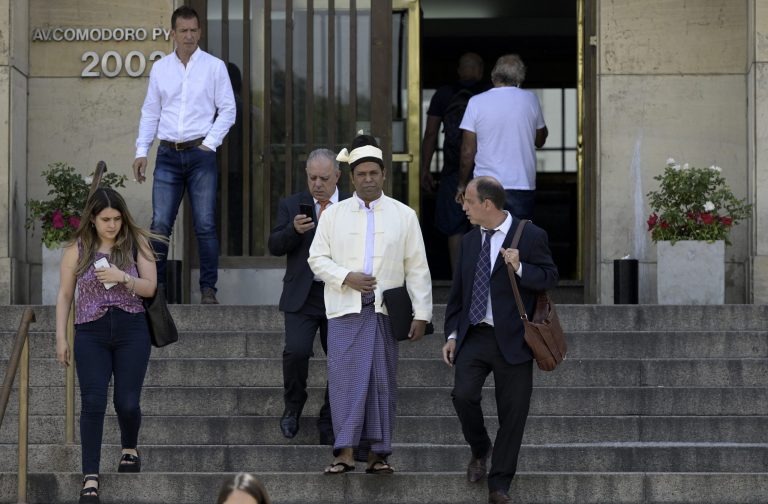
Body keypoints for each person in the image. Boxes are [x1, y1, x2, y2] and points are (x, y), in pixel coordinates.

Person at [308, 133, 432, 475]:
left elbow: (417, 267)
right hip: (344, 310)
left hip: (384, 314)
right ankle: (344, 453)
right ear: (351, 178)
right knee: (345, 382)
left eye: (373, 174)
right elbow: (316, 258)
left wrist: (422, 314)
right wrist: (346, 277)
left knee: (381, 383)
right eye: (360, 174)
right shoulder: (334, 215)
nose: (367, 179)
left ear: (383, 175)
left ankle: (378, 455)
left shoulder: (404, 215)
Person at [442, 176, 558, 504]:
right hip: (475, 335)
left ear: (487, 205)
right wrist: (452, 335)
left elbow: (550, 276)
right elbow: (458, 295)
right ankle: (480, 448)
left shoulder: (531, 235)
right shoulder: (468, 241)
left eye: (468, 200)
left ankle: (499, 485)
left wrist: (521, 268)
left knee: (513, 413)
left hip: (515, 338)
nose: (463, 206)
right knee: (463, 396)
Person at [55, 188, 164, 504]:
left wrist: (122, 277)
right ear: (92, 219)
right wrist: (61, 337)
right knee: (92, 402)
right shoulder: (78, 249)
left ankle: (129, 447)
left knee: (127, 402)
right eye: (105, 219)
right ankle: (90, 476)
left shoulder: (135, 243)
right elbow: (64, 295)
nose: (112, 225)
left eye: (117, 218)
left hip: (132, 329)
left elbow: (150, 287)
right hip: (90, 331)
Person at [132, 5, 236, 305]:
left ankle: (208, 289)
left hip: (200, 153)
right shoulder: (161, 68)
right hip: (167, 154)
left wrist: (210, 143)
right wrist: (142, 151)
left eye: (194, 31)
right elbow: (150, 112)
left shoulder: (214, 67)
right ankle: (157, 287)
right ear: (173, 34)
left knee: (205, 224)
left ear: (200, 32)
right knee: (160, 224)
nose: (189, 36)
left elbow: (228, 109)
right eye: (183, 31)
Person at [268, 149, 349, 444]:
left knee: (340, 358)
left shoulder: (352, 206)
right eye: (312, 177)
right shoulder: (292, 205)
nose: (317, 184)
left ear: (337, 177)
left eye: (324, 178)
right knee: (296, 351)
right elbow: (274, 245)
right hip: (303, 293)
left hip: (339, 291)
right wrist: (292, 230)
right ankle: (293, 405)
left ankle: (329, 415)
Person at [458, 54, 548, 221]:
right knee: (517, 239)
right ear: (520, 77)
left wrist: (462, 184)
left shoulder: (476, 102)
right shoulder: (531, 100)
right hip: (521, 183)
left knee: (485, 240)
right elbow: (540, 140)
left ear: (493, 75)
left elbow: (467, 151)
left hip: (484, 185)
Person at [421, 52, 488, 274]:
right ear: (480, 70)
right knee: (484, 225)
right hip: (484, 170)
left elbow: (430, 134)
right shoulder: (488, 93)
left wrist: (424, 169)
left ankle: (458, 280)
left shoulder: (443, 94)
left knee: (454, 227)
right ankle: (480, 280)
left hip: (451, 170)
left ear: (459, 70)